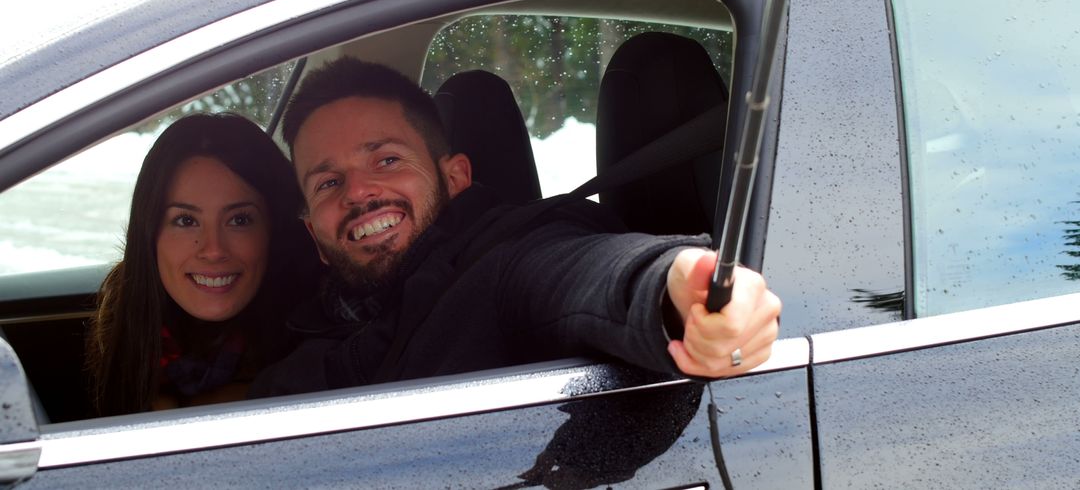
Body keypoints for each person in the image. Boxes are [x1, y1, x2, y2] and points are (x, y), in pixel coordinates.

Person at [252, 58, 780, 395]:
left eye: (387, 160)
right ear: (313, 237)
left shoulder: (506, 262)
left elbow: (582, 274)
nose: (359, 192)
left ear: (455, 176)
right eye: (327, 183)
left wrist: (678, 294)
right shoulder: (310, 327)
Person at [86, 113, 318, 416]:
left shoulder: (322, 339)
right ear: (150, 231)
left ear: (275, 230)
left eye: (239, 220)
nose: (213, 250)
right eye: (186, 220)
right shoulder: (128, 320)